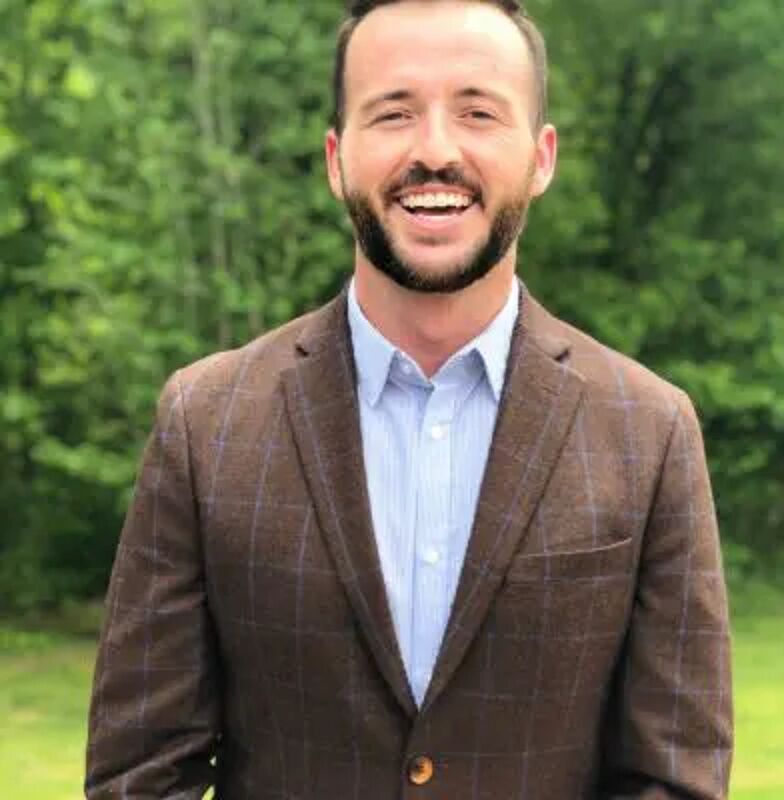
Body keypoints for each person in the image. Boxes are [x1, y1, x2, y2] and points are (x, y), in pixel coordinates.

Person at [85, 0, 733, 797]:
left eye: (478, 112)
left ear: (541, 156)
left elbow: (675, 778)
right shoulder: (206, 422)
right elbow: (139, 773)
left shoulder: (650, 430)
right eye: (392, 113)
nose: (435, 150)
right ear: (335, 158)